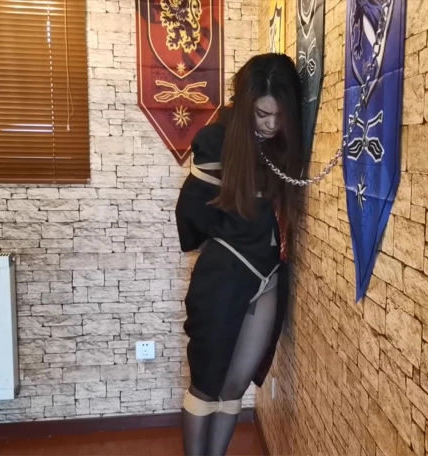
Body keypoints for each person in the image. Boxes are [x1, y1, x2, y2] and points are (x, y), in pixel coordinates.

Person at [175, 53, 304, 456]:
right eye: (262, 114)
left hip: (268, 276)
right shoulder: (217, 139)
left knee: (235, 385)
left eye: (279, 115)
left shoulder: (284, 144)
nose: (271, 124)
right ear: (246, 104)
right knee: (207, 382)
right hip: (224, 272)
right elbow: (190, 213)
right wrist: (222, 238)